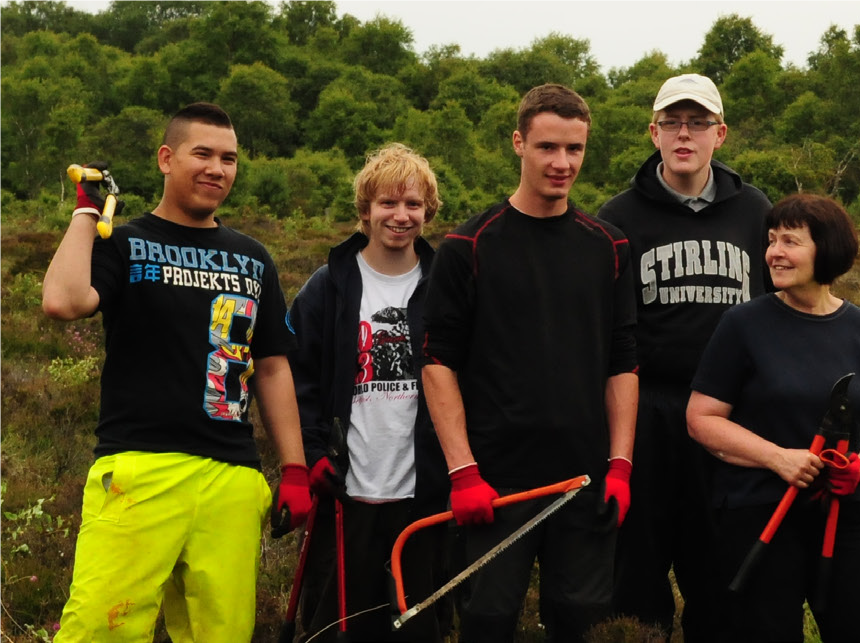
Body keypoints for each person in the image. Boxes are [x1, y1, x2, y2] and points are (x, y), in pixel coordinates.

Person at [44, 102, 310, 643]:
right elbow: (63, 301)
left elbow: (274, 368)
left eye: (230, 159)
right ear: (167, 158)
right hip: (138, 469)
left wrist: (296, 469)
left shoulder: (253, 258)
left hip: (231, 478)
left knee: (223, 634)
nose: (218, 168)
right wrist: (85, 214)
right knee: (100, 629)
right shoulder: (122, 240)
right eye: (203, 154)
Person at [418, 84, 638, 643]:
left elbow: (623, 362)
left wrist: (620, 465)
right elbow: (438, 363)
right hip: (496, 484)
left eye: (574, 149)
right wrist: (463, 473)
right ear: (518, 143)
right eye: (546, 147)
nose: (561, 163)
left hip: (584, 480)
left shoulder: (608, 246)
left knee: (581, 618)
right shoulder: (467, 245)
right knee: (488, 621)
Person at [595, 72, 774, 639]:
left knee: (719, 561)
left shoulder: (755, 211)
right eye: (672, 122)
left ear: (720, 133)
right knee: (638, 560)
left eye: (697, 123)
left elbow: (774, 312)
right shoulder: (618, 216)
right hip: (646, 409)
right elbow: (604, 328)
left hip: (728, 412)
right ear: (653, 132)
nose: (684, 134)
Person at [686, 194, 860, 641]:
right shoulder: (743, 324)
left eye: (790, 241)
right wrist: (777, 458)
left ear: (826, 248)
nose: (774, 253)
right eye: (770, 240)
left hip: (842, 517)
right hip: (758, 514)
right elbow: (702, 419)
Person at [286, 143, 450, 641]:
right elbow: (296, 379)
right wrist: (310, 453)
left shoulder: (445, 286)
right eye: (388, 203)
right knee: (339, 626)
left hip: (423, 495)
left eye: (414, 205)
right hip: (346, 491)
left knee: (418, 625)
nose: (401, 216)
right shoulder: (327, 286)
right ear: (365, 210)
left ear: (429, 212)